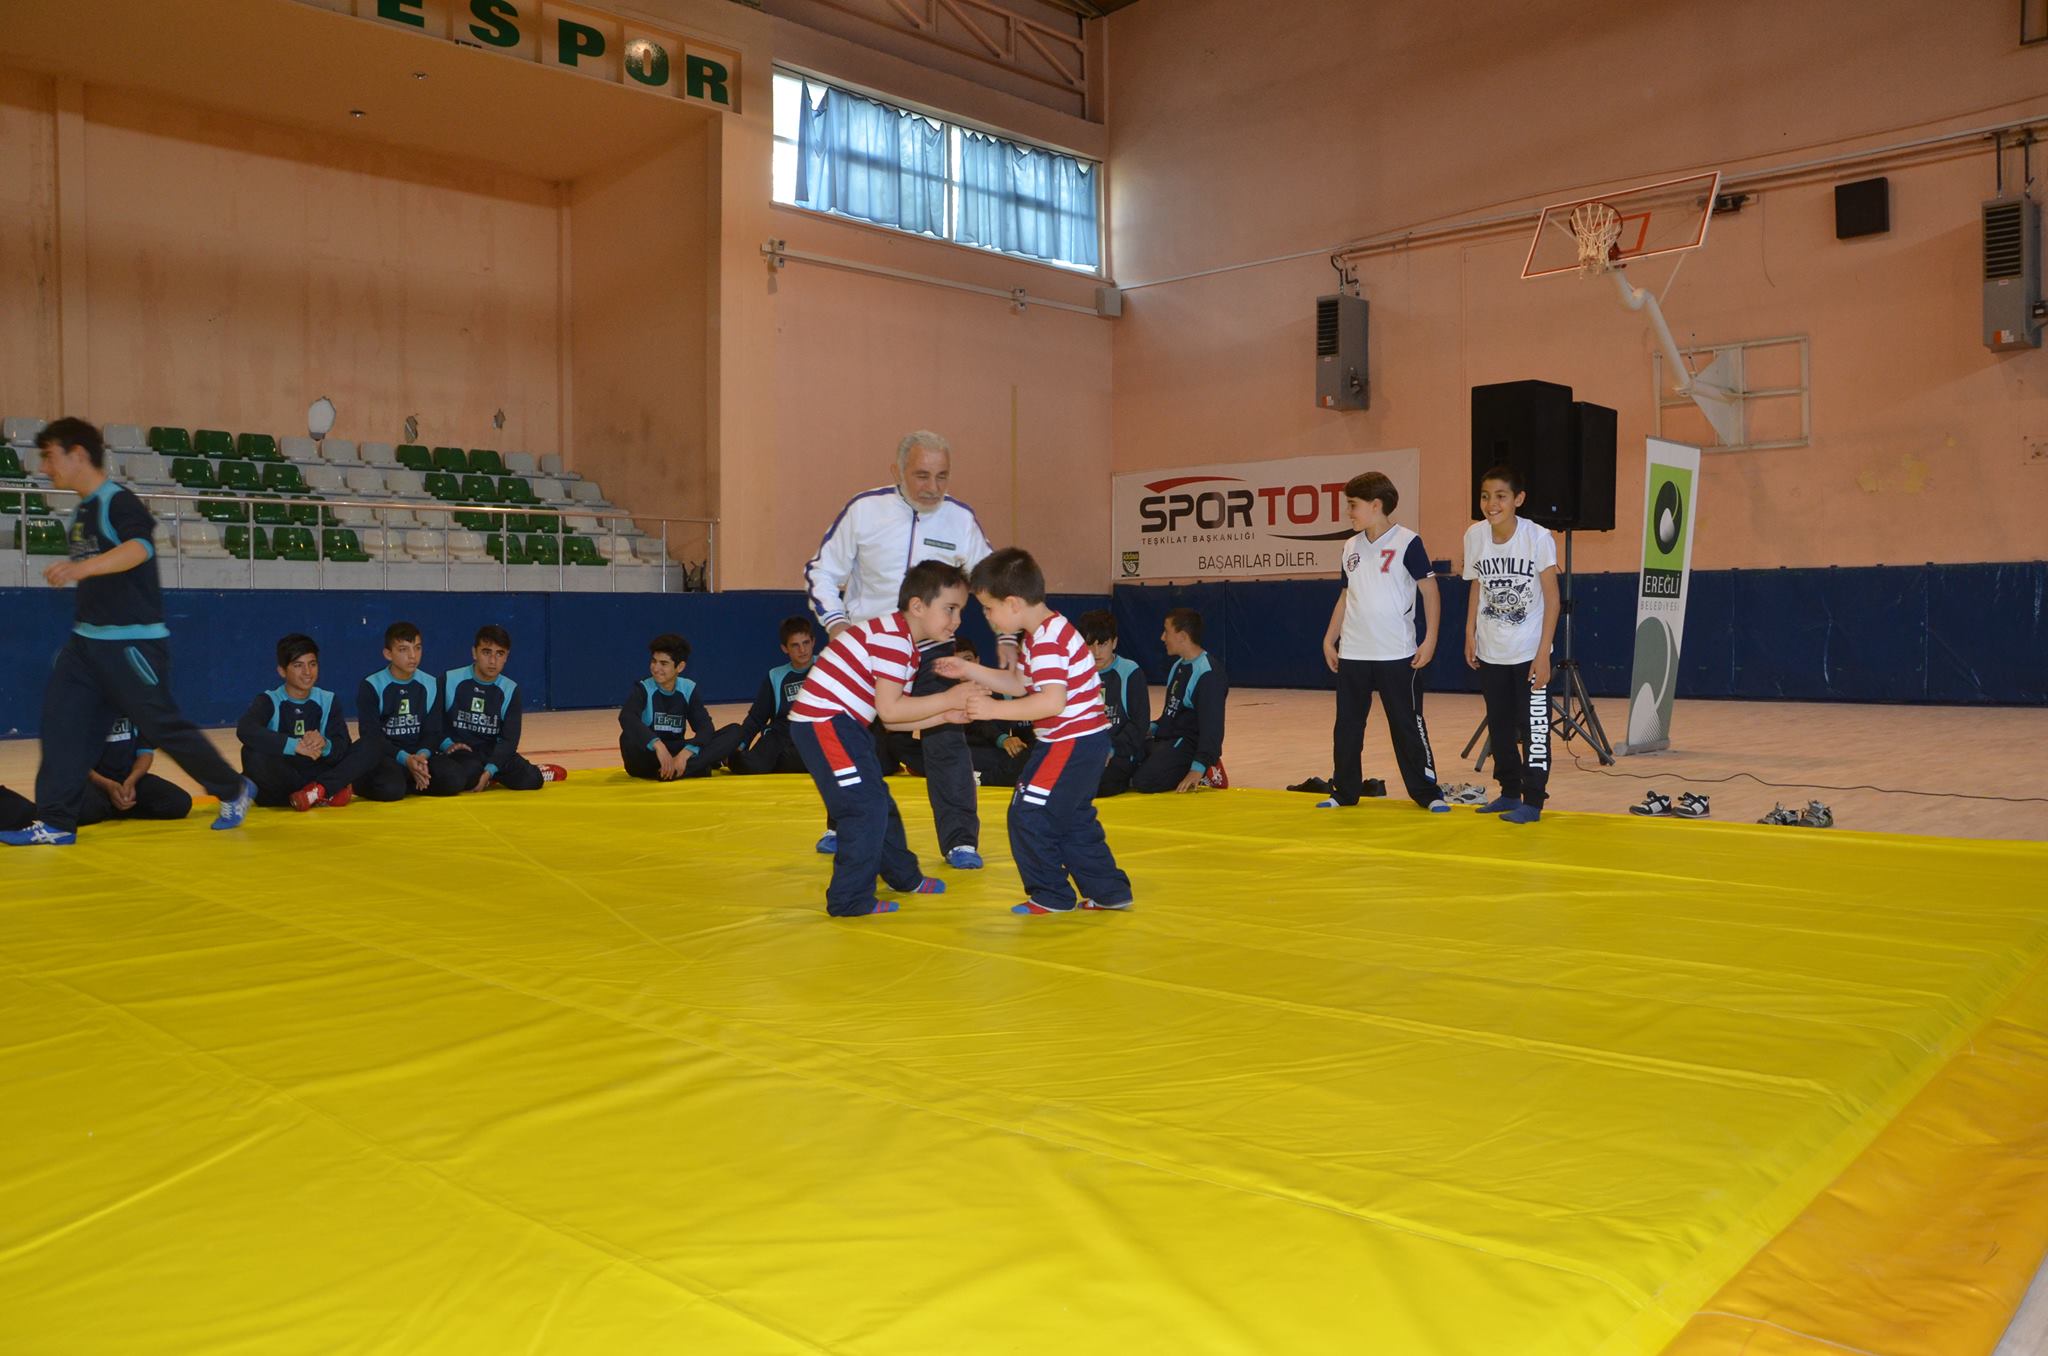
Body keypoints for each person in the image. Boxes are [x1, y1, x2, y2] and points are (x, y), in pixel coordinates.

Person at [2, 418, 253, 847]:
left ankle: (233, 789)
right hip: (86, 644)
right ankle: (57, 822)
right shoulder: (82, 511)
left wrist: (83, 568)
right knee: (62, 726)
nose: (45, 467)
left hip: (131, 643)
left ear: (77, 454)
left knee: (163, 725)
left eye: (49, 456)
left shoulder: (118, 502)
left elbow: (140, 548)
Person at [804, 429, 1008, 868]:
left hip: (934, 646)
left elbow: (993, 584)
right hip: (867, 647)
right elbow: (822, 572)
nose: (933, 488)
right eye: (921, 476)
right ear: (896, 472)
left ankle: (960, 840)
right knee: (856, 736)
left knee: (948, 734)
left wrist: (1007, 636)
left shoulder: (961, 520)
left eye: (942, 476)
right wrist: (837, 625)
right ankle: (843, 823)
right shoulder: (863, 511)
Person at [939, 548, 1133, 916]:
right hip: (1081, 743)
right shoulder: (1049, 631)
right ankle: (1109, 891)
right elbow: (1019, 682)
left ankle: (1050, 893)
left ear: (1012, 603)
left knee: (1027, 812)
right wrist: (969, 671)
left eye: (988, 609)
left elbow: (1050, 703)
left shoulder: (1045, 641)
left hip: (1068, 744)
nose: (987, 617)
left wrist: (994, 709)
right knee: (1072, 817)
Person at [788, 560, 979, 917]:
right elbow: (891, 712)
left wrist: (944, 715)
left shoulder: (904, 643)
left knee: (878, 800)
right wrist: (950, 698)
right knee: (863, 807)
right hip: (825, 723)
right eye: (950, 609)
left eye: (960, 611)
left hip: (844, 725)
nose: (957, 621)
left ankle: (903, 876)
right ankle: (849, 899)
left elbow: (892, 720)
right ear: (918, 606)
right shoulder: (893, 640)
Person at [1318, 471, 1448, 812]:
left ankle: (1427, 792)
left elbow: (1430, 591)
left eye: (1353, 505)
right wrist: (1330, 639)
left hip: (1397, 653)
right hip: (1354, 654)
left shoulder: (1408, 541)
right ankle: (1344, 791)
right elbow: (1346, 596)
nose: (1349, 512)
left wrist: (1430, 638)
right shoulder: (1350, 547)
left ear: (1376, 505)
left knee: (1407, 724)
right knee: (1347, 726)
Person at [1463, 464, 1561, 825]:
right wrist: (1469, 632)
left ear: (1518, 499)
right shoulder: (1475, 536)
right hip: (1492, 650)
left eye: (1501, 496)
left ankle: (1533, 800)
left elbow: (1552, 598)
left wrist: (1543, 654)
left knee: (1534, 727)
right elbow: (1476, 584)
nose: (1492, 503)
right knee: (1500, 725)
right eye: (1486, 496)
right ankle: (1508, 792)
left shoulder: (1537, 537)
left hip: (1528, 651)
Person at [238, 633, 383, 809]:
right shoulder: (269, 700)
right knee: (251, 753)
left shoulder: (328, 699)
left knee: (372, 744)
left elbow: (342, 747)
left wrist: (325, 745)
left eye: (312, 664)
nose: (307, 672)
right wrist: (295, 745)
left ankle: (319, 791)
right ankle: (321, 794)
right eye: (298, 665)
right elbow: (246, 729)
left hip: (317, 774)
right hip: (285, 776)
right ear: (282, 671)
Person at [437, 624, 566, 793]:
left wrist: (490, 770)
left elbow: (509, 740)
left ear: (507, 657)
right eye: (486, 652)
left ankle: (522, 772)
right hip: (461, 752)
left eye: (500, 654)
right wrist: (447, 744)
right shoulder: (450, 680)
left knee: (533, 779)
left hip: (492, 752)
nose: (493, 661)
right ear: (474, 652)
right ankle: (491, 776)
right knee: (467, 774)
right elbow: (434, 724)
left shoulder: (510, 689)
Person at [354, 621, 458, 801]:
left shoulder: (432, 683)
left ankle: (411, 778)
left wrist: (421, 757)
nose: (412, 656)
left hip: (418, 753)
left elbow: (433, 731)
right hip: (387, 755)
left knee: (453, 779)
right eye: (403, 650)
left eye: (417, 648)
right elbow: (370, 735)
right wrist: (404, 759)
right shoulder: (371, 685)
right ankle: (397, 781)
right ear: (388, 654)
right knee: (390, 789)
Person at [619, 634, 745, 780]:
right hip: (651, 755)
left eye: (663, 663)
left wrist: (685, 754)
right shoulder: (643, 688)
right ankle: (697, 767)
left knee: (735, 731)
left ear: (680, 667)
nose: (656, 668)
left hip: (676, 750)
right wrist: (657, 745)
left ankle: (672, 771)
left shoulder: (688, 689)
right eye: (654, 661)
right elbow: (626, 717)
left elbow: (705, 727)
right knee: (628, 738)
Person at [1130, 608, 1229, 794]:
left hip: (1188, 743)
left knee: (1144, 781)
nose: (1162, 637)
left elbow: (1212, 728)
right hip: (1170, 740)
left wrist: (1196, 769)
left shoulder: (1208, 674)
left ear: (1182, 636)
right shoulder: (1178, 666)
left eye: (1166, 631)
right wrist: (1147, 728)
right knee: (1126, 756)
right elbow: (1171, 714)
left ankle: (1207, 767)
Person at [728, 616, 817, 776]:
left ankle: (779, 762)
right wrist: (741, 744)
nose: (802, 650)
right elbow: (756, 718)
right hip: (781, 736)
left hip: (815, 735)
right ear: (785, 648)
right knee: (753, 765)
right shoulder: (775, 676)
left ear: (813, 642)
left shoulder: (828, 667)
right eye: (795, 645)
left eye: (806, 643)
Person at [1078, 609, 1148, 798]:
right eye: (1089, 645)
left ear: (1114, 642)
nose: (1096, 652)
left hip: (1119, 752)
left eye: (1103, 644)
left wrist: (1111, 748)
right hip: (1085, 751)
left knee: (1099, 784)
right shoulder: (1075, 673)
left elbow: (1139, 724)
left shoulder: (1130, 672)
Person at [76, 718, 193, 826]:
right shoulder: (81, 709)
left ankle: (116, 806)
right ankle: (110, 806)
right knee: (82, 811)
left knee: (179, 803)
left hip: (128, 780)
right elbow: (74, 762)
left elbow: (145, 753)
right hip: (94, 782)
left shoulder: (134, 709)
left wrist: (132, 780)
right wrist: (107, 785)